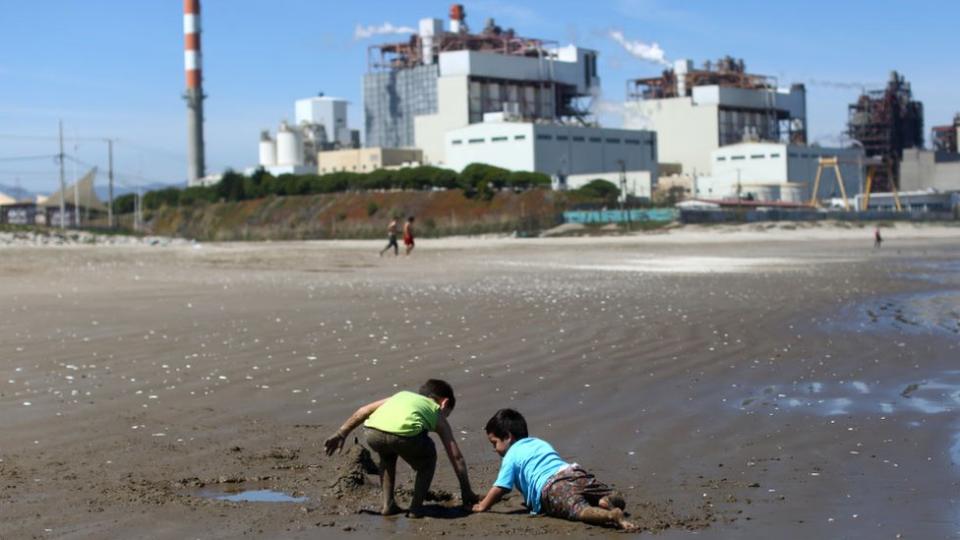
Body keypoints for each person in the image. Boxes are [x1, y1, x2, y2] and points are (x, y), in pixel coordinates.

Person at [324, 379, 477, 516]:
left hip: (373, 433)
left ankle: (387, 505)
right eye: (447, 414)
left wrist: (341, 433)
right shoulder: (435, 410)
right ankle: (416, 508)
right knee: (428, 460)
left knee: (387, 456)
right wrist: (466, 490)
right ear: (444, 403)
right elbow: (455, 456)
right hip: (404, 436)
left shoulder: (400, 396)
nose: (445, 418)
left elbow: (363, 411)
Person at [472, 408, 635, 531]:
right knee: (598, 493)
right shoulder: (539, 442)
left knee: (579, 510)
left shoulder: (511, 455)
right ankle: (606, 499)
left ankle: (611, 515)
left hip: (552, 486)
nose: (495, 449)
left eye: (494, 443)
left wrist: (482, 506)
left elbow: (501, 487)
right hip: (573, 472)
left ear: (508, 437)